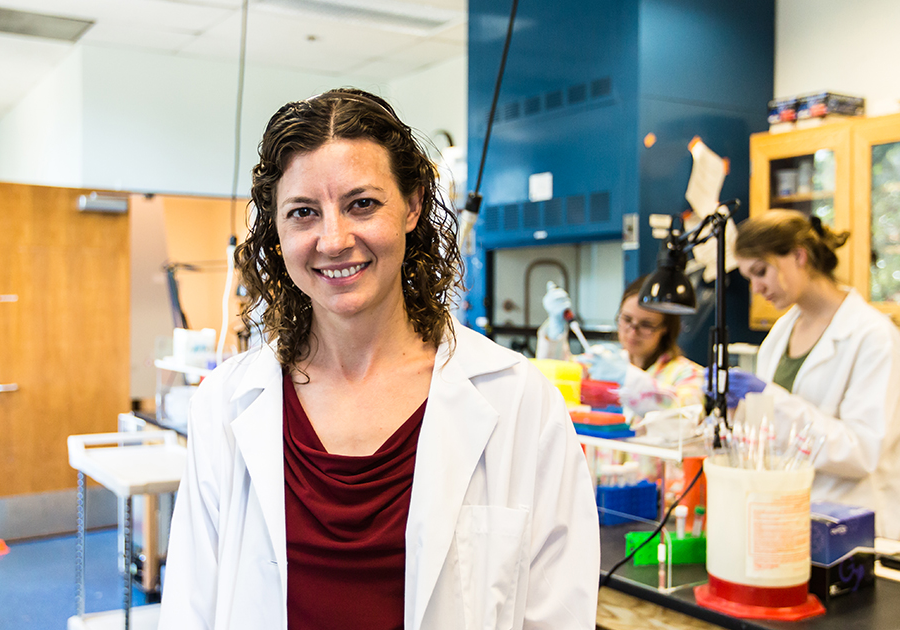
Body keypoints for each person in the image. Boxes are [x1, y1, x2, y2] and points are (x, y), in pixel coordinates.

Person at [158, 89, 599, 630]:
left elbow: (557, 613)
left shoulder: (517, 402)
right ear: (276, 230)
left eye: (361, 204)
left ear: (413, 205)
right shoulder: (225, 406)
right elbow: (190, 609)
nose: (334, 239)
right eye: (303, 213)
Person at [729, 210, 900, 539]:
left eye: (761, 271)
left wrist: (771, 401)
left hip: (850, 530)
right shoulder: (779, 334)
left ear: (799, 256)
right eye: (749, 278)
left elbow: (862, 452)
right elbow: (772, 436)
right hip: (786, 521)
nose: (756, 288)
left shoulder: (873, 336)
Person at [537, 277, 704, 417]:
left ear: (665, 328)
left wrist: (629, 378)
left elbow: (687, 414)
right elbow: (557, 380)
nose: (632, 332)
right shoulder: (603, 359)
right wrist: (555, 332)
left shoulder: (687, 373)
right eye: (627, 319)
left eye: (646, 324)